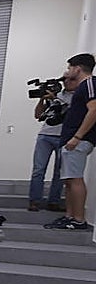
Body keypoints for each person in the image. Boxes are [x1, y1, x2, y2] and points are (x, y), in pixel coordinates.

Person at [47, 52, 96, 231]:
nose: (67, 71)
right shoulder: (80, 88)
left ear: (77, 68)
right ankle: (69, 216)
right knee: (68, 180)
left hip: (77, 140)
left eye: (69, 68)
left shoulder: (89, 83)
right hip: (69, 140)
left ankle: (79, 219)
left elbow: (94, 110)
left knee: (75, 179)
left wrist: (78, 136)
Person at [29, 88, 67, 212]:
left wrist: (55, 99)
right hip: (45, 136)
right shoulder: (52, 97)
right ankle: (34, 201)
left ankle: (54, 201)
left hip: (64, 136)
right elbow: (38, 115)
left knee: (59, 172)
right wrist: (42, 99)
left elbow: (71, 110)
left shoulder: (72, 96)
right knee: (38, 170)